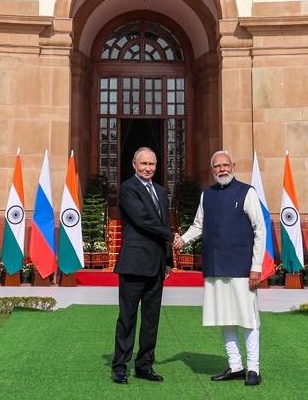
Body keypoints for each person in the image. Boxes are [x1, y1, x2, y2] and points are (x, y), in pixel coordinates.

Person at [174, 149, 266, 386]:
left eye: (226, 165)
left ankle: (253, 369)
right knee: (225, 317)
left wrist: (256, 267)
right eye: (217, 166)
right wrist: (182, 240)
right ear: (212, 170)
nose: (222, 169)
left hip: (242, 268)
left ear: (233, 166)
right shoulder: (208, 194)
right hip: (215, 267)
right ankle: (235, 365)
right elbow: (198, 225)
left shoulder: (247, 192)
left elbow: (260, 230)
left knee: (248, 319)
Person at [110, 146, 173, 384]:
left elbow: (164, 221)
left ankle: (145, 365)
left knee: (151, 318)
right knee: (127, 317)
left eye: (152, 164)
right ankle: (119, 366)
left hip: (156, 265)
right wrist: (171, 235)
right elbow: (143, 220)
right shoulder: (128, 188)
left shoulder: (160, 190)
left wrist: (168, 260)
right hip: (134, 264)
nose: (148, 168)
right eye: (143, 164)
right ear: (134, 165)